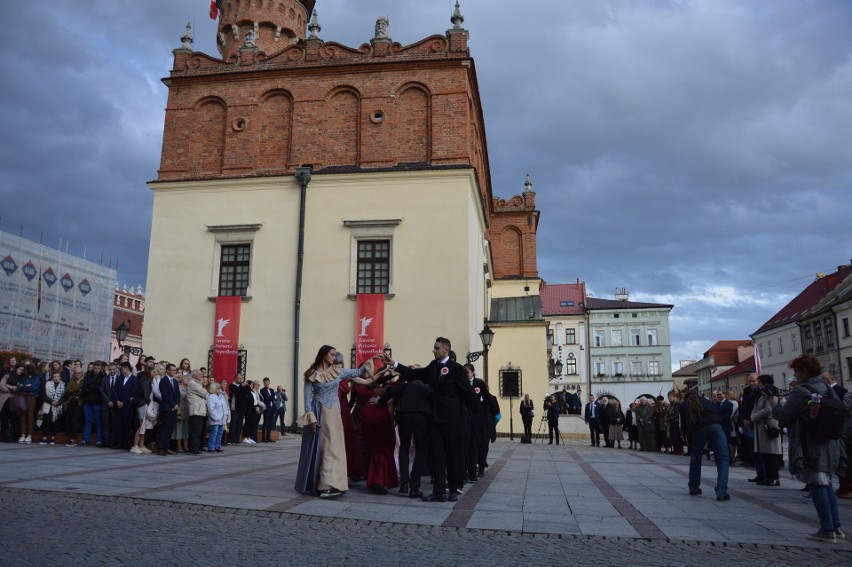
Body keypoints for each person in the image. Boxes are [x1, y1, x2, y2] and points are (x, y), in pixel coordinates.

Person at [381, 337, 474, 503]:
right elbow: (414, 373)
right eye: (434, 347)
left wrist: (456, 408)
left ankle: (453, 489)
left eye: (437, 348)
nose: (433, 350)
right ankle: (438, 492)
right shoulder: (433, 366)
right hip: (436, 419)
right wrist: (395, 364)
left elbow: (467, 393)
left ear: (446, 349)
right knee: (437, 455)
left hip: (452, 420)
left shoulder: (456, 368)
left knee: (452, 455)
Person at [771, 354, 846, 543]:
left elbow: (785, 415)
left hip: (812, 443)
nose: (795, 375)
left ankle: (827, 529)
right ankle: (836, 528)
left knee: (818, 483)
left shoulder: (803, 391)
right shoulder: (828, 389)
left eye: (796, 371)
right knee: (827, 482)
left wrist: (775, 404)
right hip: (832, 442)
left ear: (805, 371)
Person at [295, 346, 377, 498]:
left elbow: (358, 372)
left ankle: (335, 484)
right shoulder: (311, 374)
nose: (335, 357)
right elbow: (307, 399)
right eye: (332, 354)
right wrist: (311, 418)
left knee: (335, 447)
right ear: (324, 355)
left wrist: (370, 360)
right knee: (322, 448)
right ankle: (324, 485)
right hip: (319, 412)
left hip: (334, 413)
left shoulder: (338, 371)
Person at [378, 373, 432, 498]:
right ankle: (415, 487)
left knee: (404, 447)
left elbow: (390, 389)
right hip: (421, 417)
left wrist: (381, 402)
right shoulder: (425, 388)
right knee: (420, 450)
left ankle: (404, 483)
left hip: (404, 415)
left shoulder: (405, 386)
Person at [353, 362, 398, 494]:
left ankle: (372, 477)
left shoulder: (376, 384)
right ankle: (377, 479)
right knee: (381, 449)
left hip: (368, 417)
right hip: (374, 418)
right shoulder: (376, 383)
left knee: (374, 449)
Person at [680, 389, 730, 501]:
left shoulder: (684, 405)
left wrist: (688, 439)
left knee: (696, 457)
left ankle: (694, 487)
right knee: (722, 458)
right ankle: (721, 492)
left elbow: (685, 425)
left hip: (698, 429)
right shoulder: (705, 401)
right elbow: (716, 412)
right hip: (716, 425)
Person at [749, 374, 782, 487]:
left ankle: (774, 478)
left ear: (765, 383)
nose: (757, 384)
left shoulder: (769, 393)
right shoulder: (761, 395)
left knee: (771, 454)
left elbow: (768, 410)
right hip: (761, 426)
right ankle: (768, 477)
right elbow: (755, 408)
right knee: (765, 454)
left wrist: (753, 417)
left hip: (769, 426)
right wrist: (753, 414)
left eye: (759, 382)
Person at [113, 362, 137, 450]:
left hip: (127, 406)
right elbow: (115, 390)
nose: (121, 371)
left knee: (126, 425)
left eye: (122, 369)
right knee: (118, 424)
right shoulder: (120, 378)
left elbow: (132, 393)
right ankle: (119, 442)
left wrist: (123, 402)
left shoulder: (134, 379)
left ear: (126, 368)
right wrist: (117, 401)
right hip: (118, 405)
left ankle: (126, 443)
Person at [157, 364, 181, 456]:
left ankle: (167, 447)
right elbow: (165, 395)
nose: (174, 372)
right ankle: (161, 448)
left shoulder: (175, 382)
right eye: (173, 370)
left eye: (175, 370)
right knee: (164, 429)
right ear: (168, 370)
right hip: (166, 408)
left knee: (170, 429)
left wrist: (177, 404)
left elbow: (178, 395)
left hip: (174, 409)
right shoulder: (163, 381)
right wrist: (173, 404)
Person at [186, 369, 209, 455]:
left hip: (200, 410)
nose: (202, 376)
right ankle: (193, 449)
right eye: (199, 375)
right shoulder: (192, 383)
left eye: (202, 375)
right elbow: (204, 393)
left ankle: (197, 447)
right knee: (195, 431)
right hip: (196, 410)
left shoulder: (198, 383)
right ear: (194, 375)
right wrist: (205, 391)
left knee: (199, 431)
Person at [40, 372, 65, 445]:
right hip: (49, 405)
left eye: (57, 376)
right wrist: (51, 401)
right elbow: (44, 395)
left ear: (60, 377)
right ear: (52, 377)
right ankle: (44, 436)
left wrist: (58, 402)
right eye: (54, 376)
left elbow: (64, 396)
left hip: (58, 406)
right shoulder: (47, 384)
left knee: (55, 422)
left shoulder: (63, 385)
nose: (56, 378)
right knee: (46, 421)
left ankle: (53, 437)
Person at [206, 382, 229, 453]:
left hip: (222, 419)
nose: (219, 389)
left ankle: (217, 446)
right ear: (214, 389)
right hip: (215, 419)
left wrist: (226, 415)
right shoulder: (211, 397)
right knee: (214, 433)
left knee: (220, 433)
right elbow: (211, 409)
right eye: (218, 388)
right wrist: (215, 417)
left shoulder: (221, 396)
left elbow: (225, 407)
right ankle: (211, 447)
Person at [228, 373, 250, 445]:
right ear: (235, 378)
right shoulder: (232, 385)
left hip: (242, 407)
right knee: (234, 423)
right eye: (239, 378)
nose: (240, 380)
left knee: (240, 424)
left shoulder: (244, 386)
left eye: (241, 378)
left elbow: (247, 392)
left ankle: (236, 439)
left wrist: (243, 387)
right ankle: (230, 439)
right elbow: (237, 391)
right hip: (235, 407)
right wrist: (241, 387)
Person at [260, 378, 276, 442]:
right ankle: (264, 438)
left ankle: (268, 437)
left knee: (270, 423)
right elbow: (266, 398)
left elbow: (273, 398)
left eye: (267, 382)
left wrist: (272, 397)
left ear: (269, 382)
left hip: (272, 408)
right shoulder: (262, 390)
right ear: (263, 383)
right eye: (265, 382)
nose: (266, 383)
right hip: (266, 408)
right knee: (265, 423)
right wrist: (273, 397)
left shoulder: (272, 390)